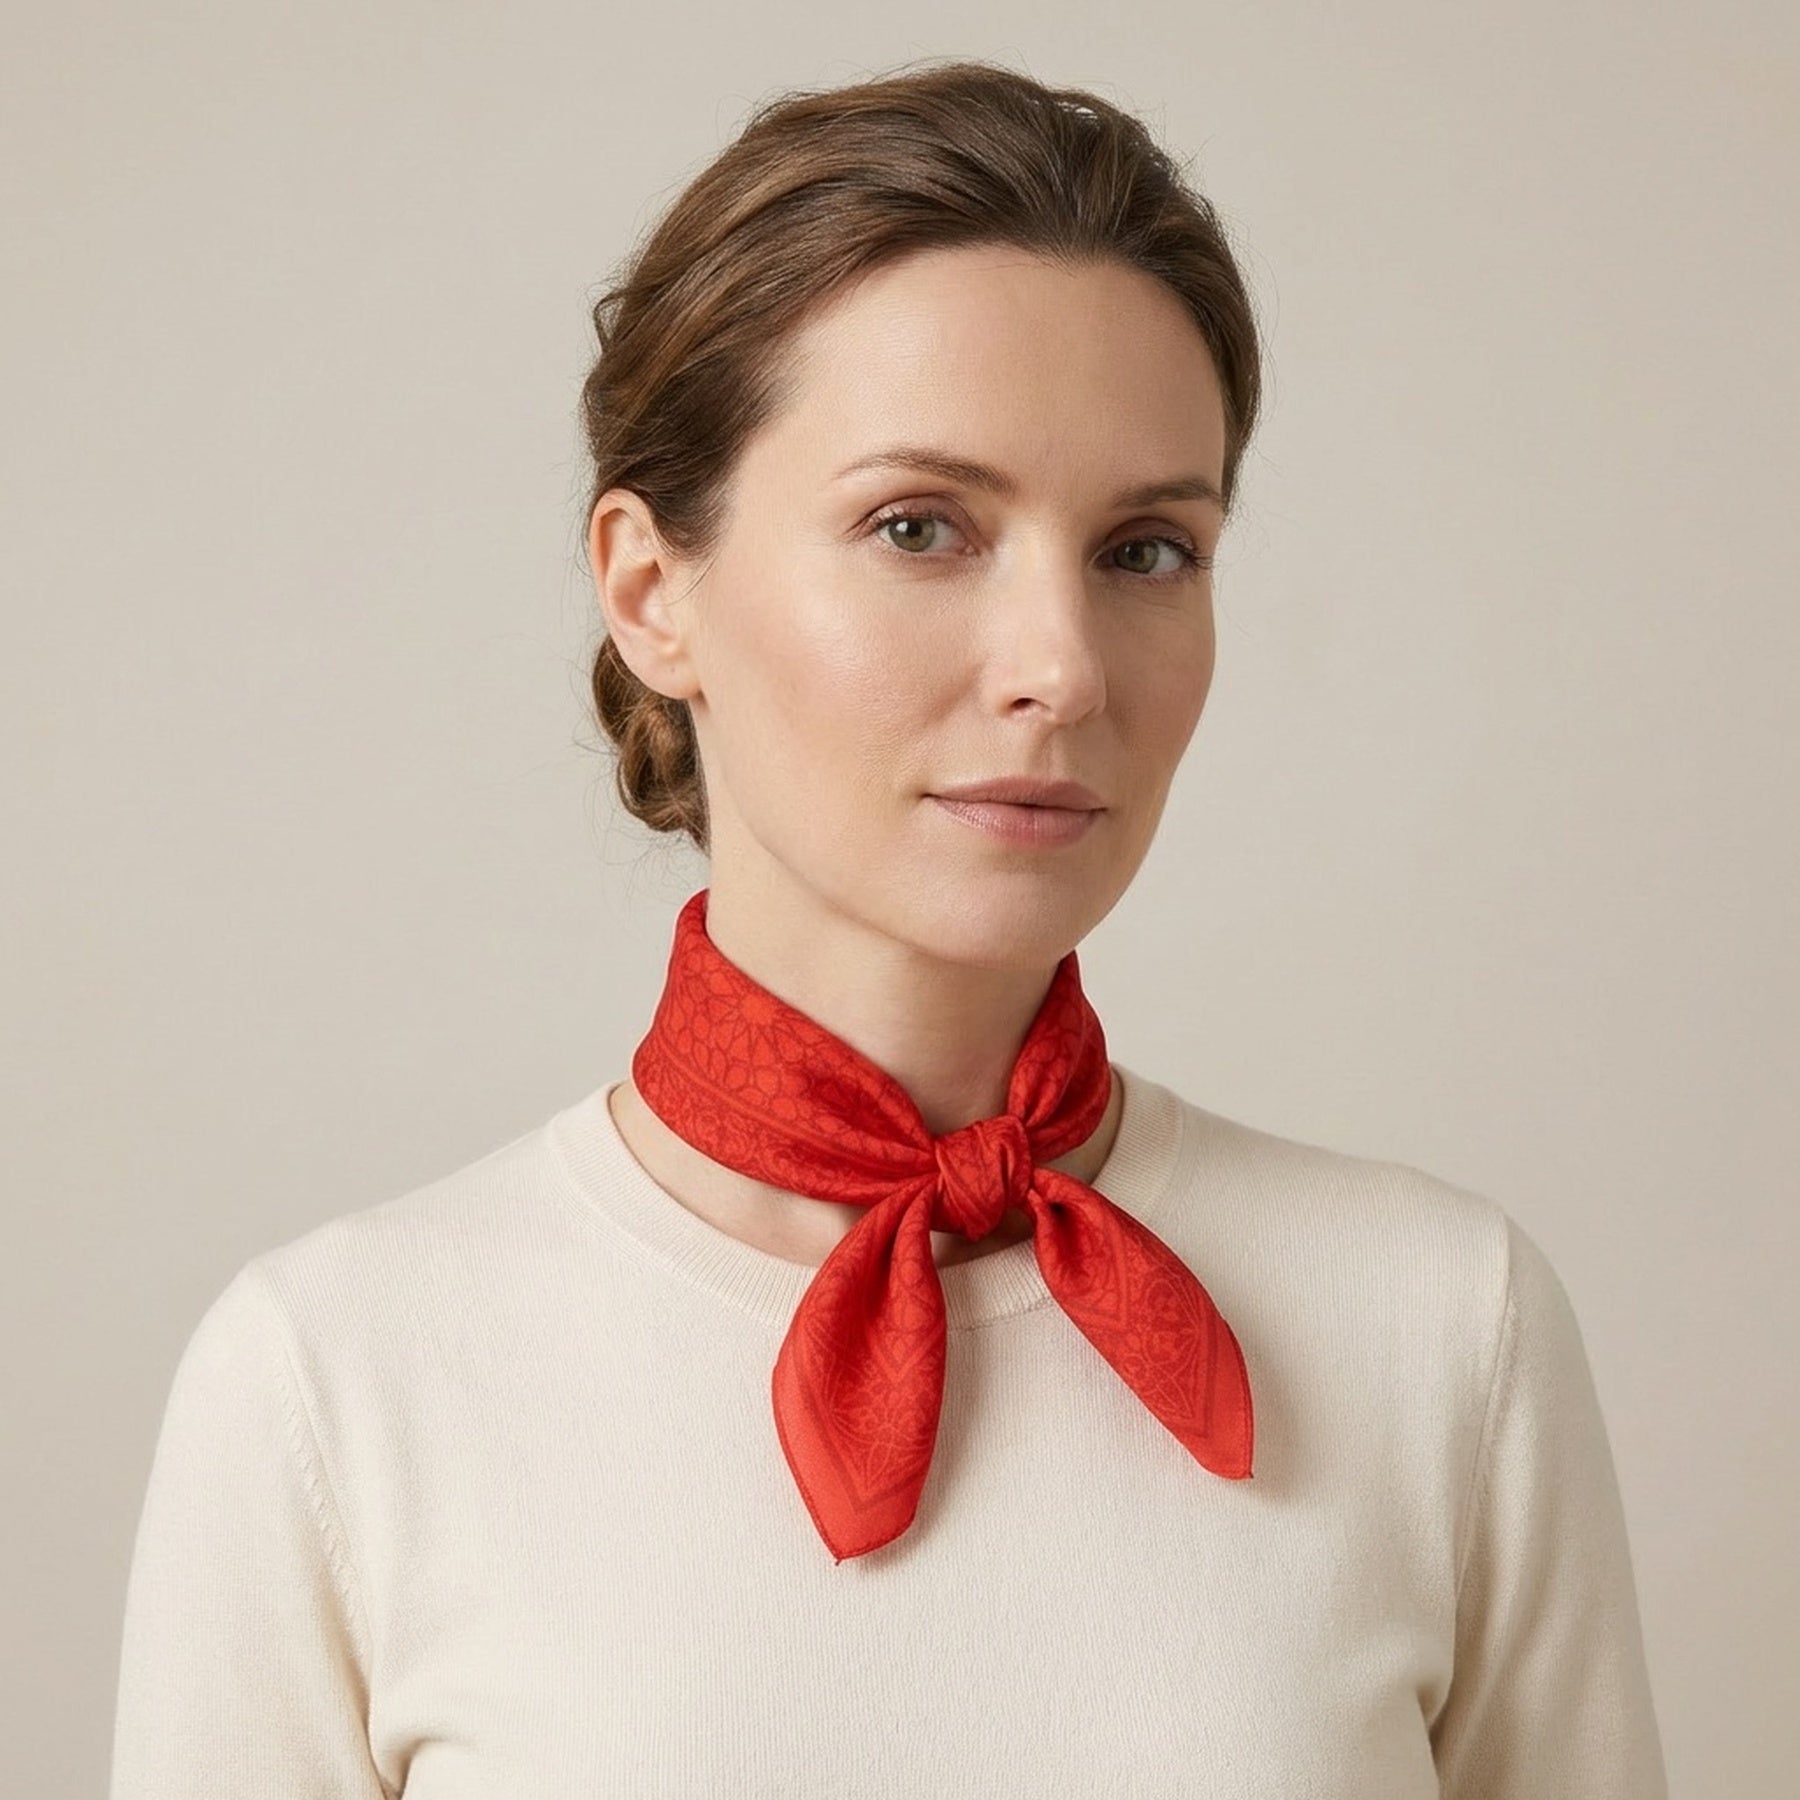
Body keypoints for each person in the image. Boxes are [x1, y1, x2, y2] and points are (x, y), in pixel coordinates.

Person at [109, 58, 1669, 1798]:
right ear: (651, 590)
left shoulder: (1445, 1327)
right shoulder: (338, 1386)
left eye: (1148, 550)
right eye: (919, 527)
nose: (1062, 669)